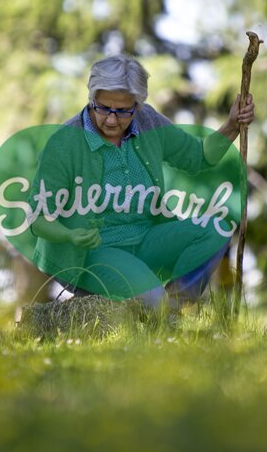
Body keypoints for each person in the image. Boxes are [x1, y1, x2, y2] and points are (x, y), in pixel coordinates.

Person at [30, 54, 255, 308]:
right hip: (93, 254)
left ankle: (175, 308)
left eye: (123, 111)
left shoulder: (148, 121)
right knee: (153, 302)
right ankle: (156, 308)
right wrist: (70, 235)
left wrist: (232, 126)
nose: (111, 119)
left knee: (217, 229)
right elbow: (37, 219)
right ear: (91, 98)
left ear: (137, 105)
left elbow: (199, 157)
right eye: (103, 107)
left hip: (147, 240)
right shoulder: (64, 144)